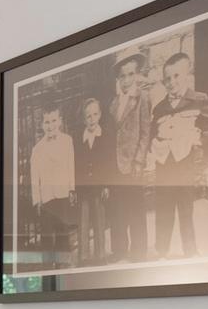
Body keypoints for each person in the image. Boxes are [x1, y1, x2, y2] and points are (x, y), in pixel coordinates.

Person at [149, 51, 208, 259]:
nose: (172, 82)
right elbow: (154, 130)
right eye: (167, 79)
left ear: (186, 74)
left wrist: (199, 141)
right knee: (163, 207)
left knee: (185, 207)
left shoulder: (198, 99)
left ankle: (190, 250)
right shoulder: (160, 107)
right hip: (165, 164)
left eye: (176, 76)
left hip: (185, 163)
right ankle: (162, 250)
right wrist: (157, 142)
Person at [108, 52, 156, 262]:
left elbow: (145, 132)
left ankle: (139, 251)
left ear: (137, 75)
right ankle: (119, 250)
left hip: (133, 163)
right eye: (122, 76)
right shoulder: (113, 103)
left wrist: (139, 160)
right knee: (118, 209)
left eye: (130, 74)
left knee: (136, 208)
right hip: (116, 165)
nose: (126, 80)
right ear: (118, 79)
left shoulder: (142, 98)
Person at [27, 104, 75, 261]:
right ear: (42, 124)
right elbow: (34, 177)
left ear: (60, 121)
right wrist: (37, 200)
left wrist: (72, 189)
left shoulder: (67, 141)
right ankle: (47, 266)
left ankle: (62, 264)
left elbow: (70, 166)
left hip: (63, 195)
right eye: (47, 122)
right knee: (47, 234)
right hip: (46, 198)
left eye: (53, 121)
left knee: (63, 231)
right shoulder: (37, 149)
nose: (50, 125)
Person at [72, 95, 115, 264]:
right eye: (88, 116)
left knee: (99, 219)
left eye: (95, 114)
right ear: (84, 119)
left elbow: (109, 162)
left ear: (100, 115)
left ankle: (100, 255)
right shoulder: (78, 138)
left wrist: (106, 185)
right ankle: (83, 256)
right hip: (83, 187)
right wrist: (74, 187)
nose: (92, 119)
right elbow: (74, 164)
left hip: (99, 186)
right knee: (83, 221)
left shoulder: (105, 135)